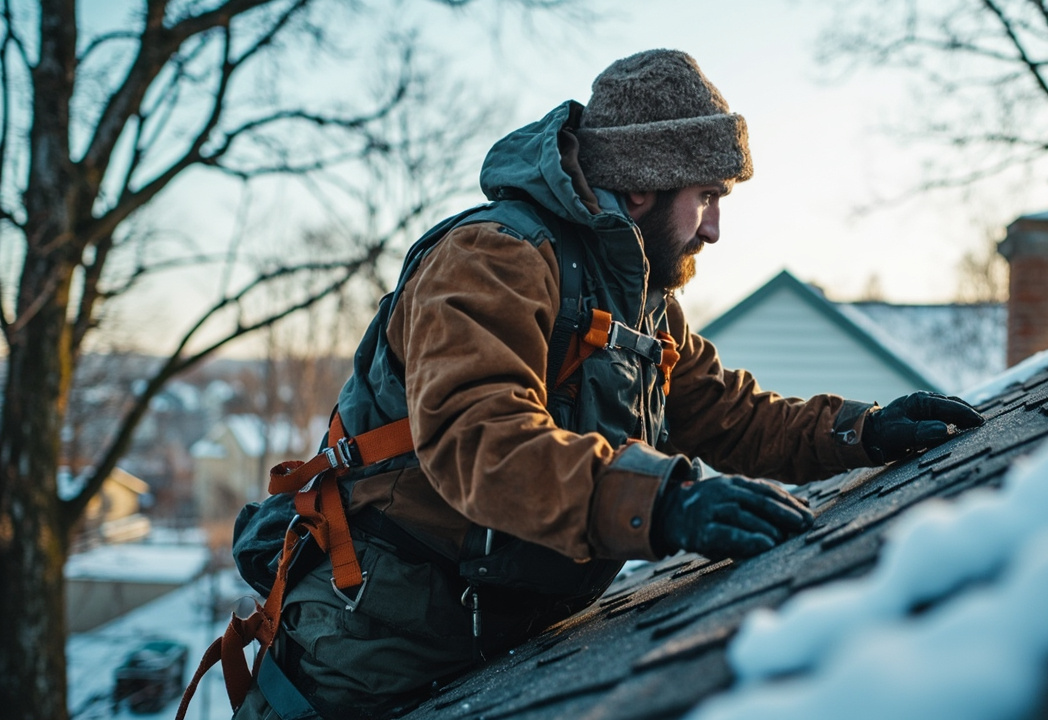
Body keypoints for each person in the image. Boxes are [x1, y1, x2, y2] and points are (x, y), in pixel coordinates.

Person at [229, 49, 984, 720]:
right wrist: (666, 503)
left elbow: (731, 416)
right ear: (641, 192)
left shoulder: (643, 304)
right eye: (707, 196)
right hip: (368, 660)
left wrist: (862, 429)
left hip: (504, 641)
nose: (715, 228)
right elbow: (479, 441)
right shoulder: (492, 258)